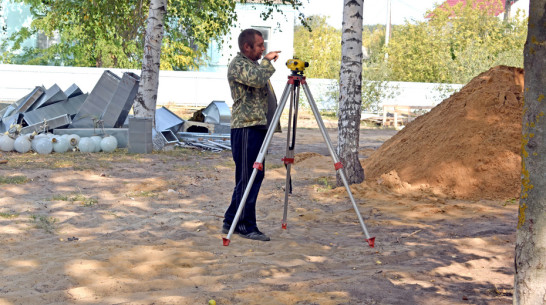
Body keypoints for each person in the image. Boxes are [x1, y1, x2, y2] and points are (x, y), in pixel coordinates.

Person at [222, 28, 281, 241]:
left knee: (251, 176)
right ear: (247, 47)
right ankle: (246, 225)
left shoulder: (252, 65)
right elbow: (257, 80)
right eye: (259, 45)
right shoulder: (239, 65)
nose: (263, 48)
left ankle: (231, 219)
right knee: (249, 177)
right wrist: (267, 61)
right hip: (246, 127)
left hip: (256, 127)